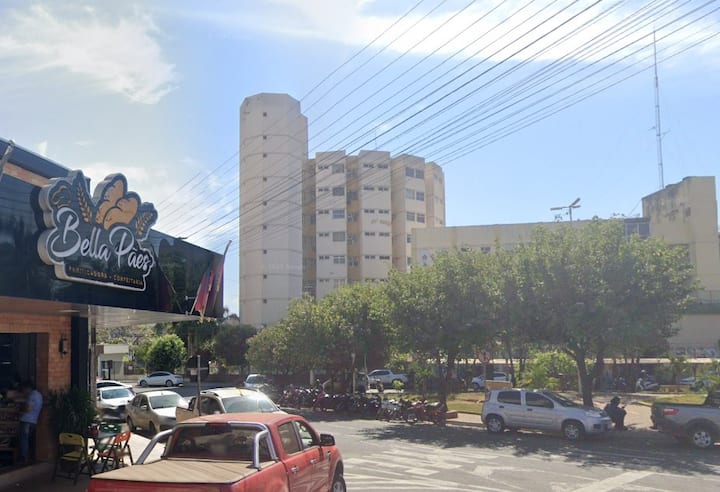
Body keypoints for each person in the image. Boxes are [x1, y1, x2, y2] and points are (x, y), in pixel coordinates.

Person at [18, 380, 43, 464]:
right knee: (29, 440)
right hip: (34, 421)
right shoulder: (39, 395)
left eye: (24, 389)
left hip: (26, 420)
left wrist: (20, 410)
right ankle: (29, 457)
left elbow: (28, 408)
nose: (24, 391)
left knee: (24, 439)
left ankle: (24, 458)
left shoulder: (32, 395)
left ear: (28, 388)